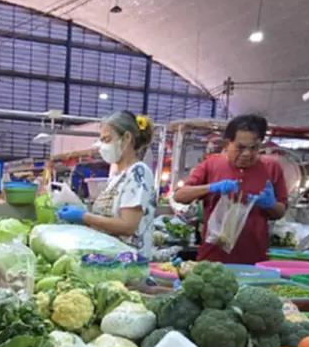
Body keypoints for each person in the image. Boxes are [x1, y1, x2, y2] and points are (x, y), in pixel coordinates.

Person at [173, 114, 288, 263]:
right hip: (213, 258)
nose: (247, 153)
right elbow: (179, 196)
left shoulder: (272, 168)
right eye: (240, 147)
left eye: (254, 148)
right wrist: (211, 188)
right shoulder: (211, 165)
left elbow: (280, 211)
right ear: (227, 144)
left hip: (255, 259)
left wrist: (270, 205)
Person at [55, 111, 158, 257]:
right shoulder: (116, 177)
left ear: (127, 138)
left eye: (107, 140)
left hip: (129, 263)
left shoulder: (138, 173)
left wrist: (83, 216)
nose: (102, 146)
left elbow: (128, 226)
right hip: (111, 258)